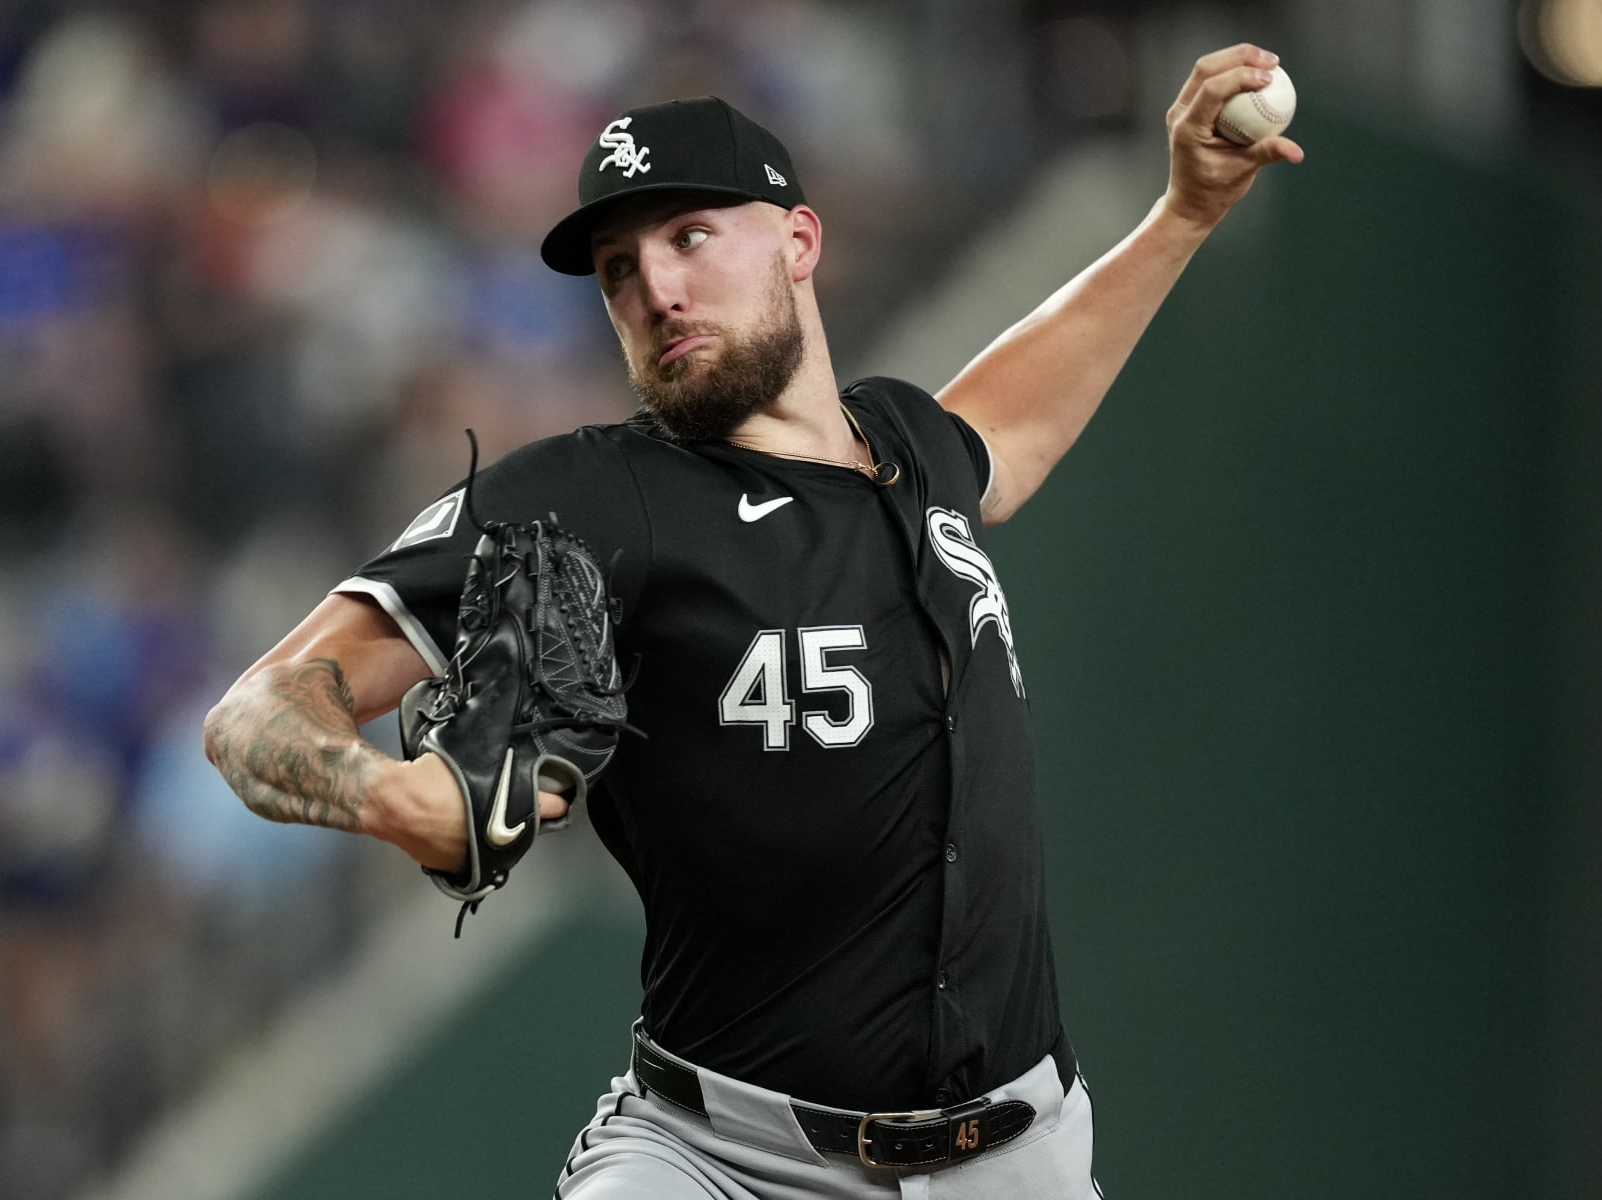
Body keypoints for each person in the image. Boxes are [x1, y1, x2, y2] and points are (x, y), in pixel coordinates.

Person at [203, 44, 1302, 1199]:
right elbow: (255, 710)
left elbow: (1008, 430)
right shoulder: (588, 501)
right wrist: (389, 795)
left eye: (688, 237)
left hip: (1018, 1154)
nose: (655, 290)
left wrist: (1181, 215)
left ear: (799, 241)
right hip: (723, 1162)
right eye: (619, 270)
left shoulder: (912, 447)